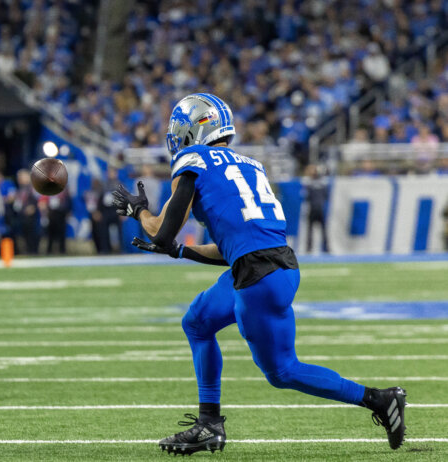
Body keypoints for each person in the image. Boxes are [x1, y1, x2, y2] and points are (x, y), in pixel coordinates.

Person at [112, 93, 406, 455]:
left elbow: (161, 231)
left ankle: (379, 399)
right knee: (197, 322)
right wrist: (181, 251)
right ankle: (209, 423)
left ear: (192, 128)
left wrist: (137, 211)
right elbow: (234, 247)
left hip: (258, 277)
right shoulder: (251, 165)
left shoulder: (194, 158)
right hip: (274, 265)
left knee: (282, 371)